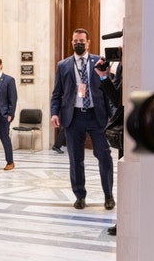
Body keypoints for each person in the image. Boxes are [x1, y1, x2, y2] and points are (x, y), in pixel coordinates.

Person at [50, 28, 114, 210]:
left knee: (104, 156)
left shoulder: (99, 61)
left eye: (81, 40)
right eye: (75, 40)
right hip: (73, 117)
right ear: (71, 42)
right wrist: (54, 113)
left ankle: (108, 195)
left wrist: (113, 113)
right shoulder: (63, 65)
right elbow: (57, 93)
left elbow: (108, 88)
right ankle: (80, 195)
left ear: (88, 42)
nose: (78, 43)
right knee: (75, 159)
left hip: (96, 116)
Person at [95, 58, 123, 235]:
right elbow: (118, 97)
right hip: (124, 128)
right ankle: (124, 220)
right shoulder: (122, 65)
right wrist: (104, 77)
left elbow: (119, 98)